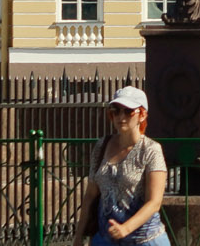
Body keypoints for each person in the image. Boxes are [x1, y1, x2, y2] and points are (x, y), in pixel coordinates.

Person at [72, 86, 167, 246]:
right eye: (115, 111)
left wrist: (125, 228)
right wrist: (79, 235)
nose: (121, 117)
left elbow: (154, 202)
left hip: (144, 240)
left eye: (128, 111)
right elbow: (90, 195)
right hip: (106, 239)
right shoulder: (102, 145)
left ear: (142, 115)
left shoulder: (151, 150)